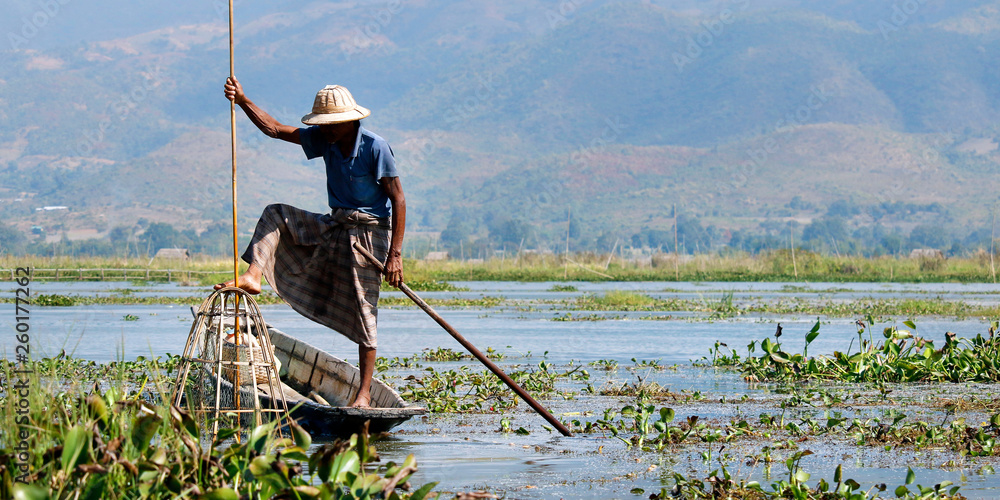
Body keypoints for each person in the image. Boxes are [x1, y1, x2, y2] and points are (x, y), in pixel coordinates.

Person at [216, 76, 405, 408]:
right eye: (324, 125)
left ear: (351, 120)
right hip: (336, 223)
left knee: (365, 311)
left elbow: (398, 200)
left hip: (370, 232)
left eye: (333, 124)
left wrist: (395, 256)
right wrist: (243, 100)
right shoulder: (325, 141)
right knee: (276, 214)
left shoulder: (375, 147)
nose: (327, 130)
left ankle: (363, 394)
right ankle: (253, 275)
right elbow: (275, 129)